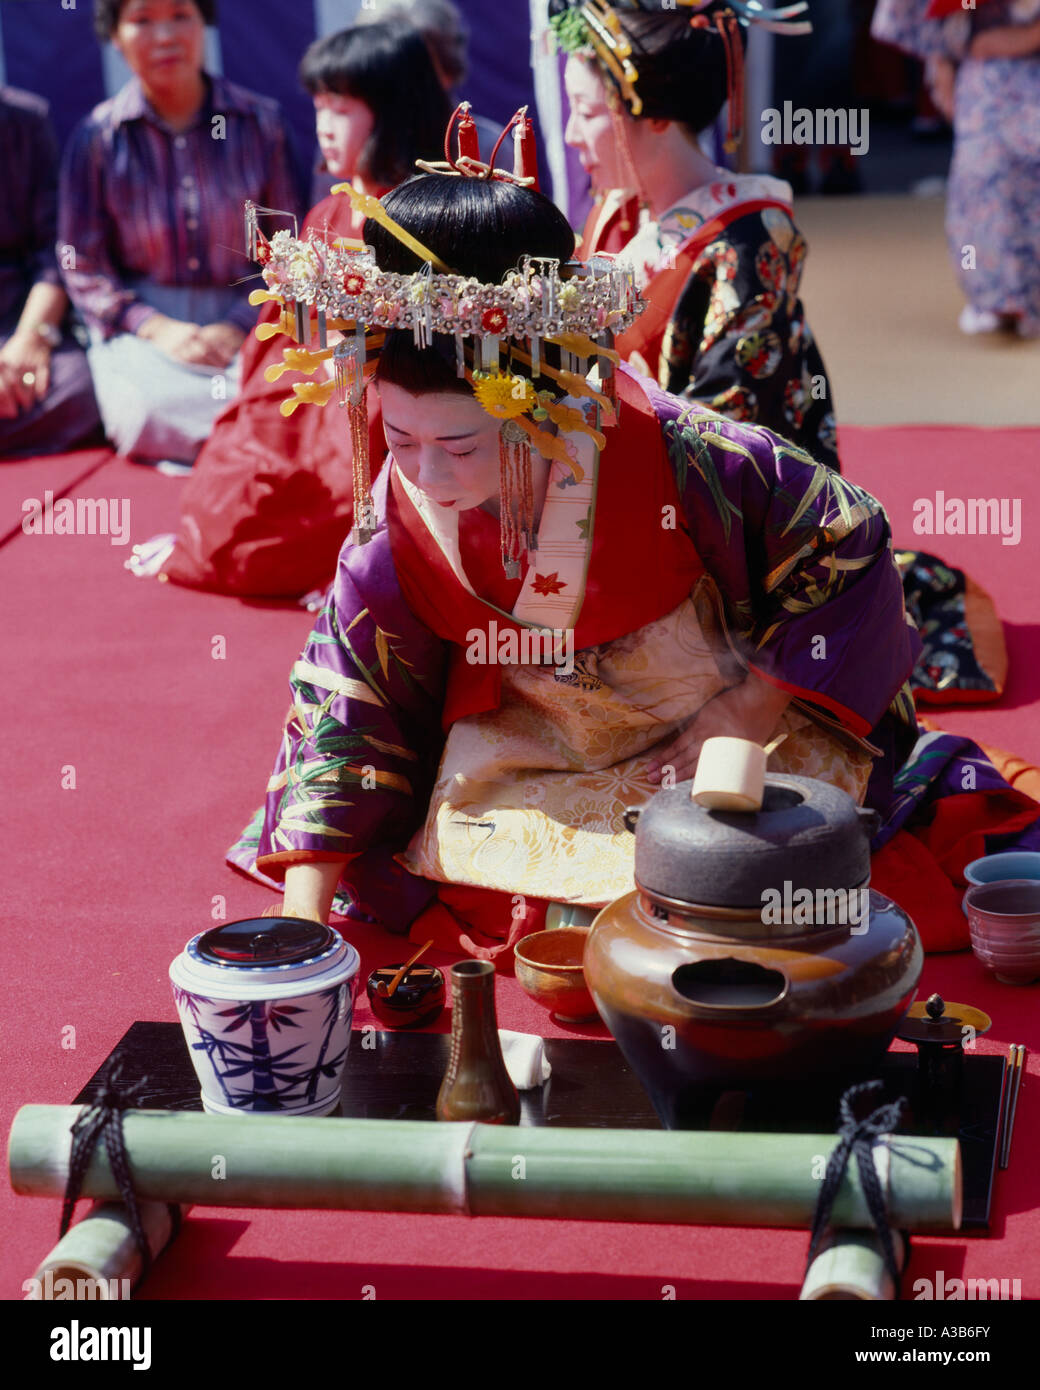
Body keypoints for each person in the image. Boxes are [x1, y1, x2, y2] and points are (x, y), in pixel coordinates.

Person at [226, 167, 1039, 961]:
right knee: (501, 879)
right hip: (532, 752)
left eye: (460, 444)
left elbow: (851, 535)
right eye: (398, 440)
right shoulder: (395, 520)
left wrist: (751, 707)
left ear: (542, 402)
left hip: (706, 726)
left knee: (747, 870)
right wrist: (307, 916)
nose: (425, 475)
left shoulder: (686, 452)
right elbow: (347, 696)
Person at [157, 19, 451, 596]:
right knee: (229, 494)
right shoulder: (324, 215)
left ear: (391, 109)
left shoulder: (429, 219)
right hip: (309, 395)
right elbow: (276, 336)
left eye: (340, 108)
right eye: (318, 106)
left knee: (322, 507)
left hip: (387, 407)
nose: (323, 126)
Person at [552, 1, 842, 471]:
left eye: (586, 112)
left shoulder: (750, 237)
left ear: (658, 115)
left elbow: (725, 430)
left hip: (700, 502)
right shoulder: (615, 209)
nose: (570, 135)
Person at [58, 0, 301, 471]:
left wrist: (235, 325)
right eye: (143, 20)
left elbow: (290, 247)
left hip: (252, 310)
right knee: (145, 411)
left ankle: (235, 441)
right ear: (115, 37)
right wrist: (156, 327)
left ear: (204, 23)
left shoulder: (260, 124)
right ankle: (244, 446)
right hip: (145, 322)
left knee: (294, 393)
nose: (165, 36)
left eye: (180, 15)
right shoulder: (98, 137)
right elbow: (80, 262)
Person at [872, 0, 1040, 338]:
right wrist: (942, 61)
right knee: (979, 182)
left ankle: (1028, 294)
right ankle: (990, 297)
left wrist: (1029, 36)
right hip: (981, 65)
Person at [0, 88, 101, 459]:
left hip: (16, 320)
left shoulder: (25, 121)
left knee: (80, 392)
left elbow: (59, 250)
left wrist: (31, 337)